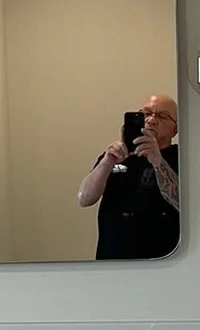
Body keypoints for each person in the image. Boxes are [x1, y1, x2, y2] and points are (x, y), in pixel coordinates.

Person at [77, 95, 180, 259]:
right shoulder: (115, 156)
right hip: (112, 262)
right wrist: (107, 162)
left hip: (162, 264)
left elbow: (183, 205)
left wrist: (158, 161)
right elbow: (84, 199)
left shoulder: (182, 158)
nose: (151, 120)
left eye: (162, 116)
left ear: (175, 129)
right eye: (145, 114)